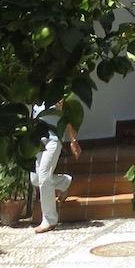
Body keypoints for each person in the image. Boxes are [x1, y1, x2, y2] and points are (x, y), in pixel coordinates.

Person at [29, 99, 81, 233]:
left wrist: (73, 141)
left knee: (44, 176)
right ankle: (64, 182)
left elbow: (67, 118)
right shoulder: (35, 98)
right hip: (38, 143)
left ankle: (49, 220)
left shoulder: (57, 97)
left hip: (53, 141)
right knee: (35, 179)